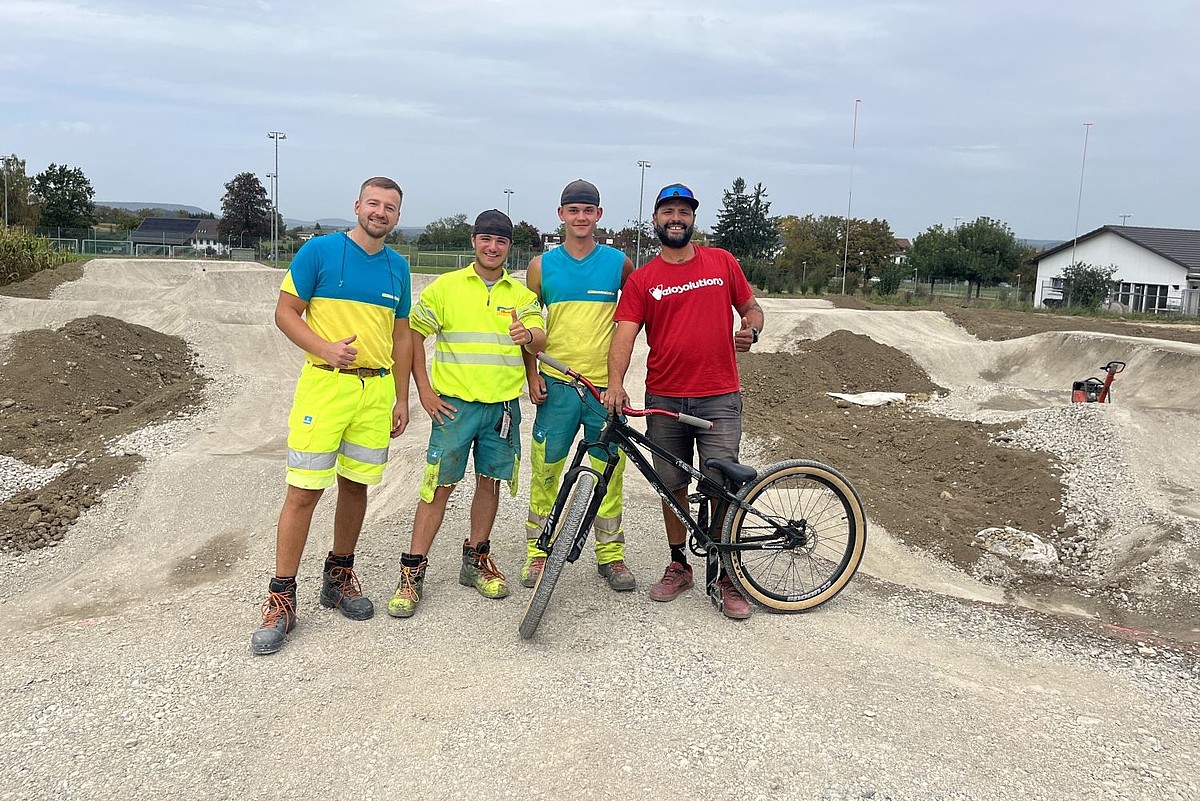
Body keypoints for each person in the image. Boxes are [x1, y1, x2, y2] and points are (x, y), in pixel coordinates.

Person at [252, 176, 412, 655]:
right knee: (303, 491)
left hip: (375, 391)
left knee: (356, 485)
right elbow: (285, 313)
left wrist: (401, 399)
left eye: (390, 207)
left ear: (397, 217)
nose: (380, 212)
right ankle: (282, 597)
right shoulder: (318, 252)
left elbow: (402, 337)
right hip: (325, 386)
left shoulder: (398, 268)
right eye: (374, 203)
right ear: (357, 205)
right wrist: (325, 348)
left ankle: (338, 575)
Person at [602, 183, 765, 620]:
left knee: (720, 485)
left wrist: (753, 328)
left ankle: (724, 571)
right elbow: (624, 335)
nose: (677, 218)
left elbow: (752, 308)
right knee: (670, 484)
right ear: (655, 220)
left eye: (684, 211)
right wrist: (615, 382)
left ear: (693, 219)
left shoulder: (722, 262)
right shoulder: (642, 280)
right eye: (668, 211)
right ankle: (680, 563)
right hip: (666, 398)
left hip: (719, 397)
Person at [387, 210, 546, 618]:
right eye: (485, 239)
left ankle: (475, 558)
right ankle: (413, 571)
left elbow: (540, 336)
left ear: (510, 247)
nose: (493, 247)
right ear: (474, 241)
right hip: (454, 408)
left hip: (502, 409)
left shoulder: (520, 295)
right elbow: (411, 336)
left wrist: (528, 335)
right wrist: (422, 390)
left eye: (501, 241)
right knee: (438, 487)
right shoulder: (446, 288)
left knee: (490, 484)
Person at [520, 179, 636, 591]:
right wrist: (532, 374)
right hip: (557, 387)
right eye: (574, 210)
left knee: (609, 471)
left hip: (603, 390)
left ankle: (610, 555)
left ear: (599, 215)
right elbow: (529, 325)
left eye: (589, 211)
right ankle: (538, 552)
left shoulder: (618, 263)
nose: (581, 217)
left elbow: (635, 316)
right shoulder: (541, 266)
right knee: (547, 470)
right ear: (561, 214)